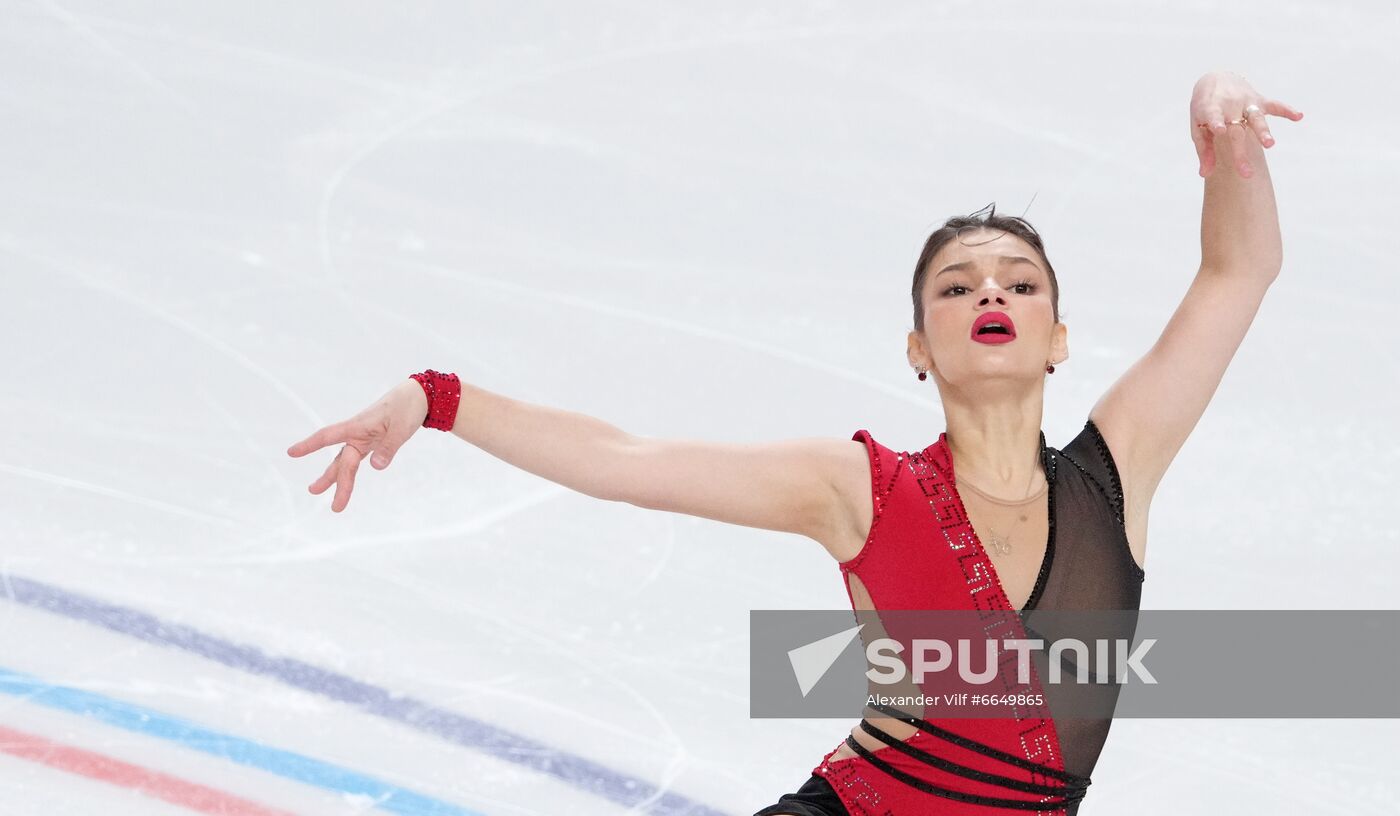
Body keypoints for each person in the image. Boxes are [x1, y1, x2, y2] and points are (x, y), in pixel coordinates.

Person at [286, 70, 1302, 815]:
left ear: (1057, 339)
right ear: (918, 347)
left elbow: (1236, 271)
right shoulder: (858, 487)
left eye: (1017, 282)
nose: (988, 291)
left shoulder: (1110, 475)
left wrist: (1228, 135)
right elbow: (627, 462)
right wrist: (438, 396)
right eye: (955, 286)